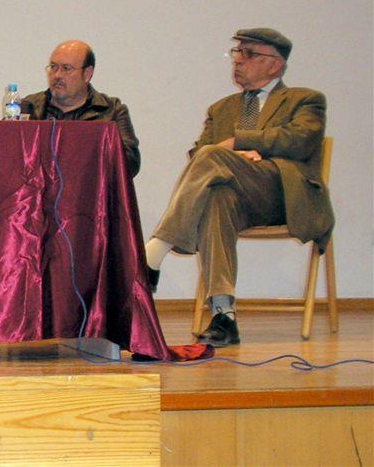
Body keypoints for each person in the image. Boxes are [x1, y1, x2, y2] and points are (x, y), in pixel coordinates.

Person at [145, 28, 333, 347]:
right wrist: (231, 156)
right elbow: (199, 155)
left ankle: (155, 249)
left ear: (275, 65)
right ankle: (223, 316)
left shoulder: (305, 99)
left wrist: (239, 143)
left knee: (214, 156)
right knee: (218, 196)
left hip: (282, 196)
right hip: (238, 197)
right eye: (237, 53)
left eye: (249, 54)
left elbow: (300, 141)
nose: (239, 61)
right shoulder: (222, 109)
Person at [21, 40, 141, 177]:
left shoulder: (112, 111)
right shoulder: (29, 107)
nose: (57, 75)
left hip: (93, 196)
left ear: (87, 74)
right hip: (40, 197)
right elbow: (7, 156)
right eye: (53, 67)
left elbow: (131, 164)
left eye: (66, 68)